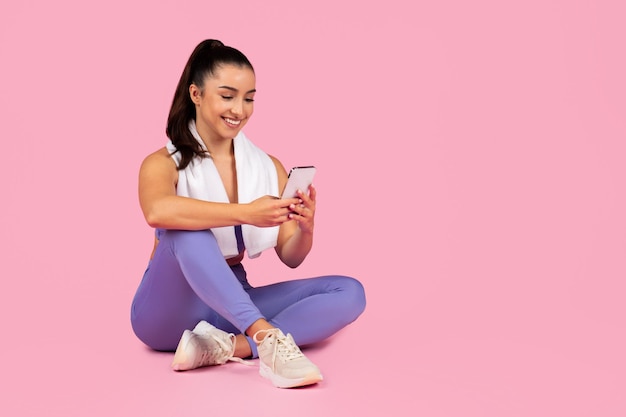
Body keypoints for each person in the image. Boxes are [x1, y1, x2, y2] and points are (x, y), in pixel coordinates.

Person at [130, 39, 366, 389]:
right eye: (227, 96)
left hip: (231, 304)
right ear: (196, 95)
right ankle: (267, 340)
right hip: (167, 309)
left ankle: (226, 346)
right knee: (185, 229)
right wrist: (246, 213)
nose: (239, 109)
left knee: (349, 292)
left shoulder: (268, 166)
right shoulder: (162, 163)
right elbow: (157, 211)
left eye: (249, 98)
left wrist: (305, 228)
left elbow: (291, 257)